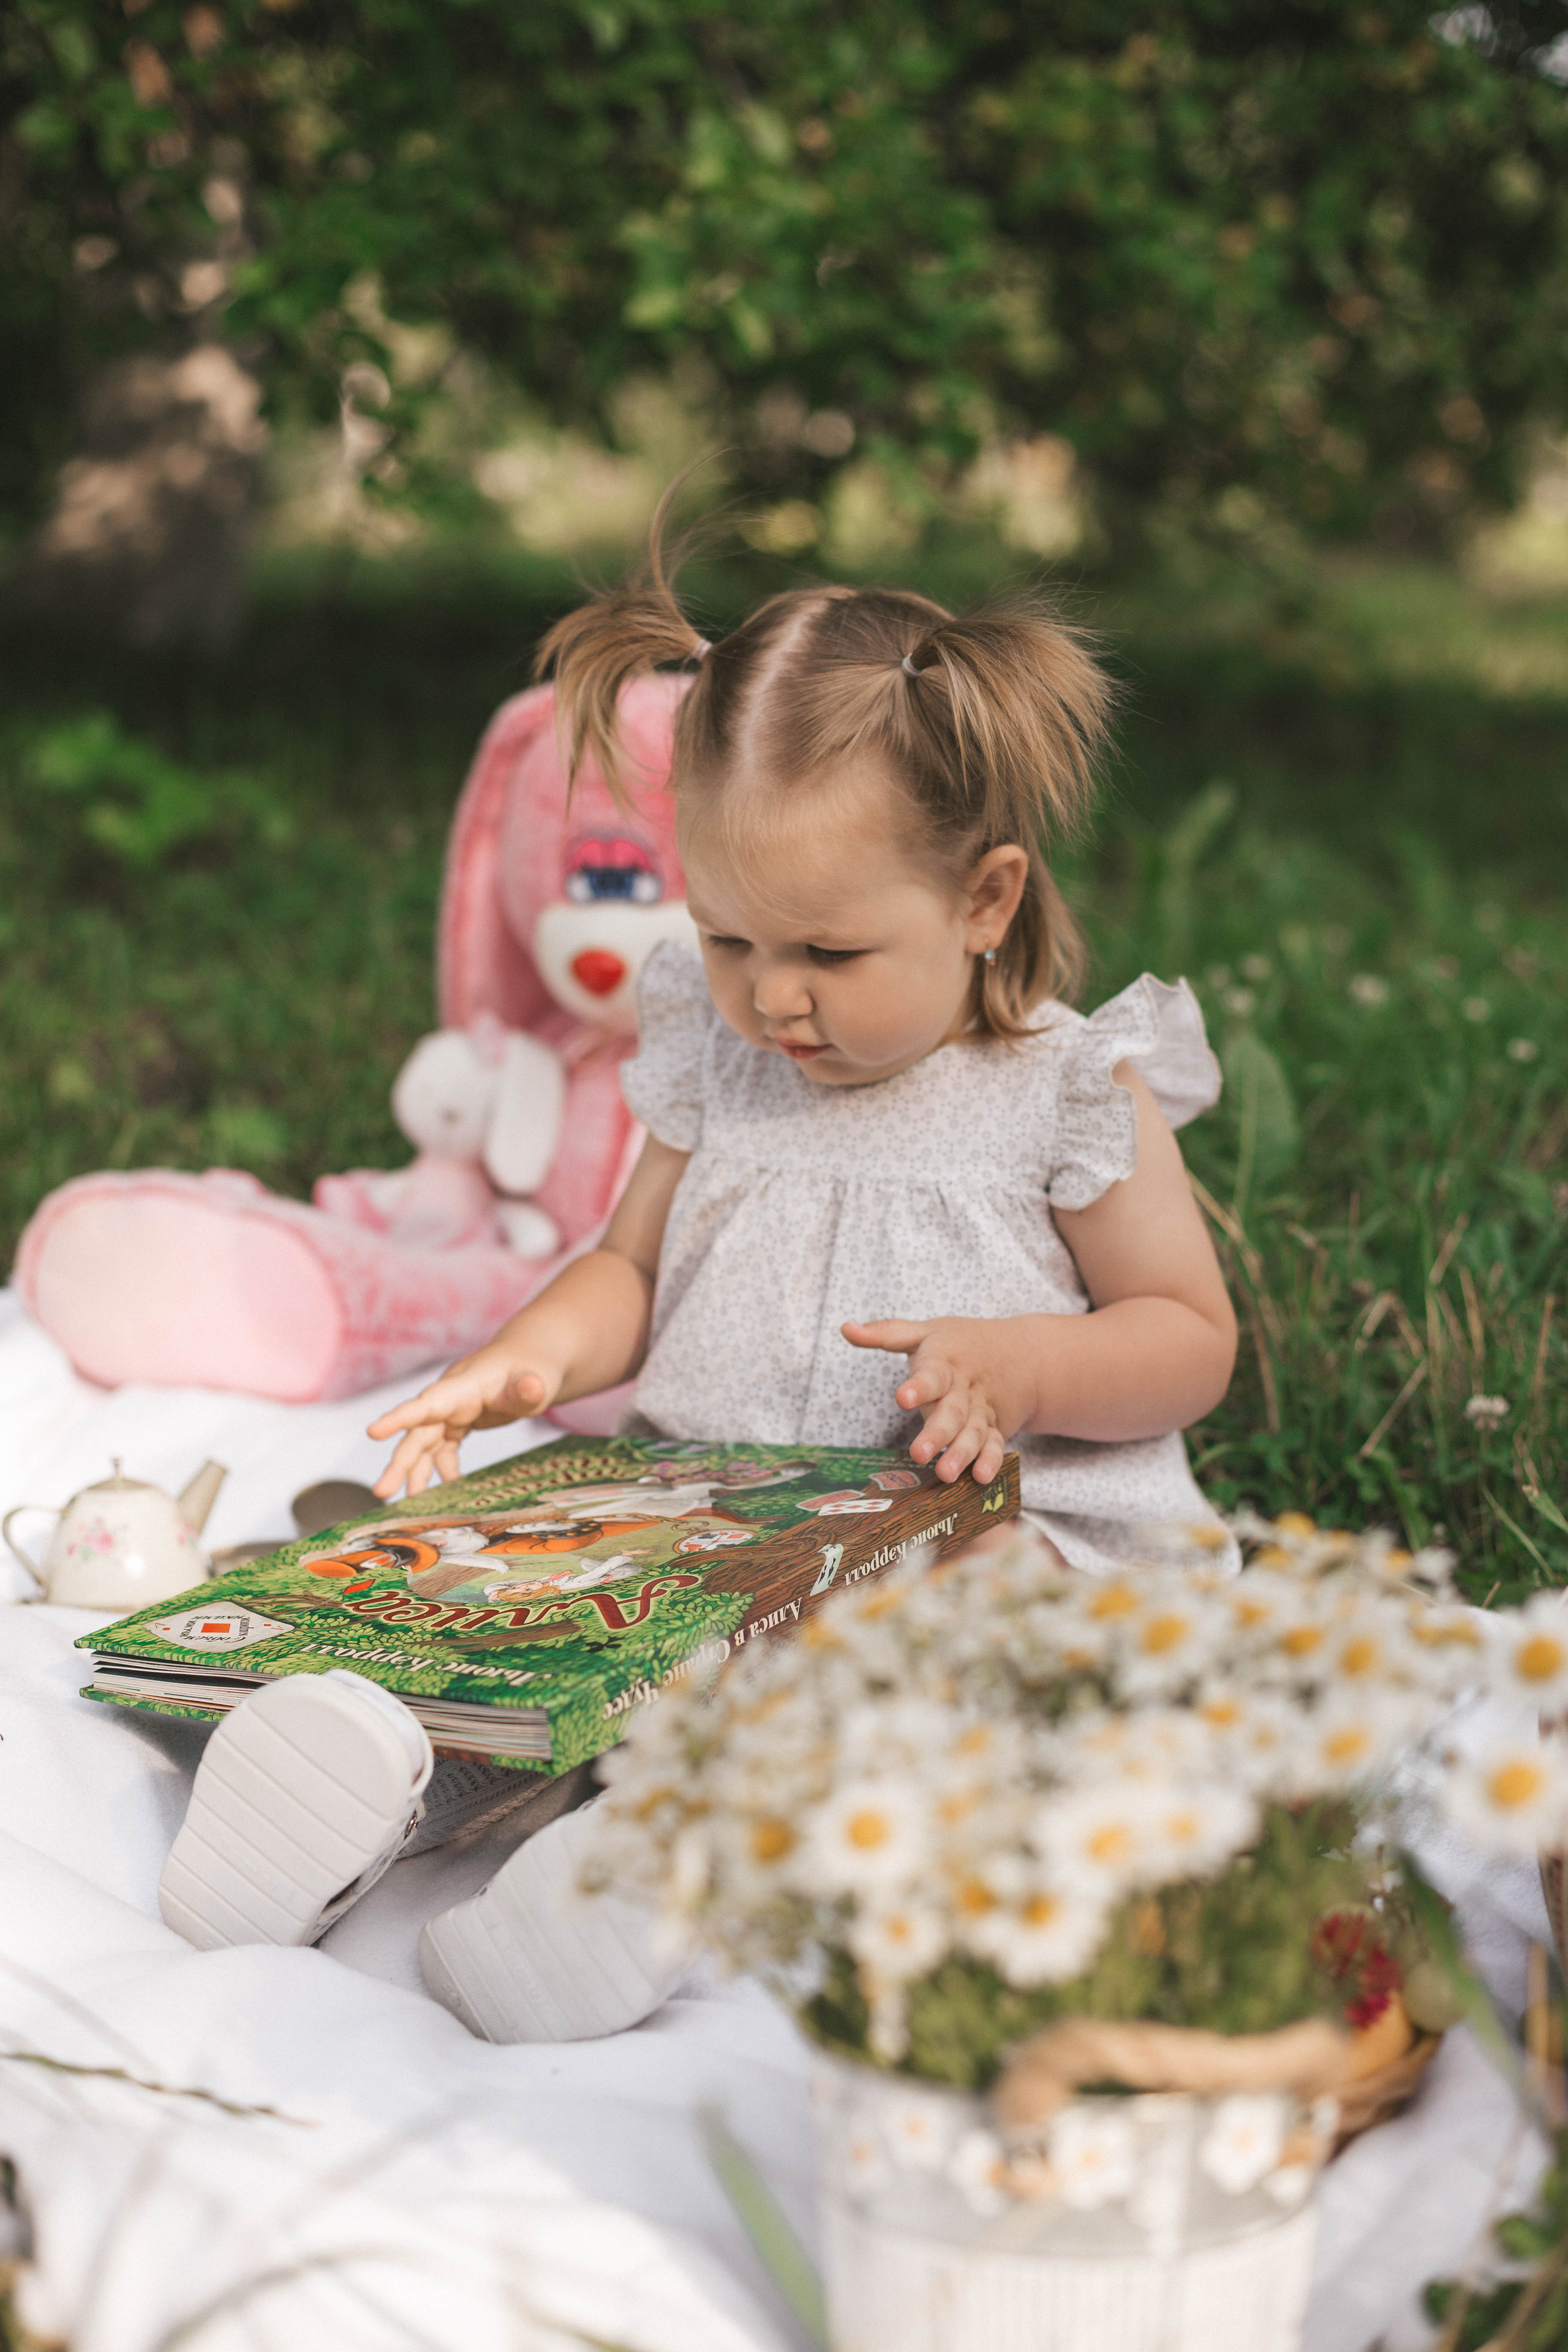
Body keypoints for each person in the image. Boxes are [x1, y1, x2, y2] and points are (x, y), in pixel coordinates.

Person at [156, 518, 1239, 2041]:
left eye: (825, 949)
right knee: (542, 1606)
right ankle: (371, 1786)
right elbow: (627, 1267)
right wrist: (532, 1358)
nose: (769, 997)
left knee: (946, 1648)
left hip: (973, 1528)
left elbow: (1189, 1339)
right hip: (711, 1525)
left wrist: (1029, 1368)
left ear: (983, 900)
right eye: (725, 935)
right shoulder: (718, 1049)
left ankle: (653, 1876)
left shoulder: (1064, 1086)